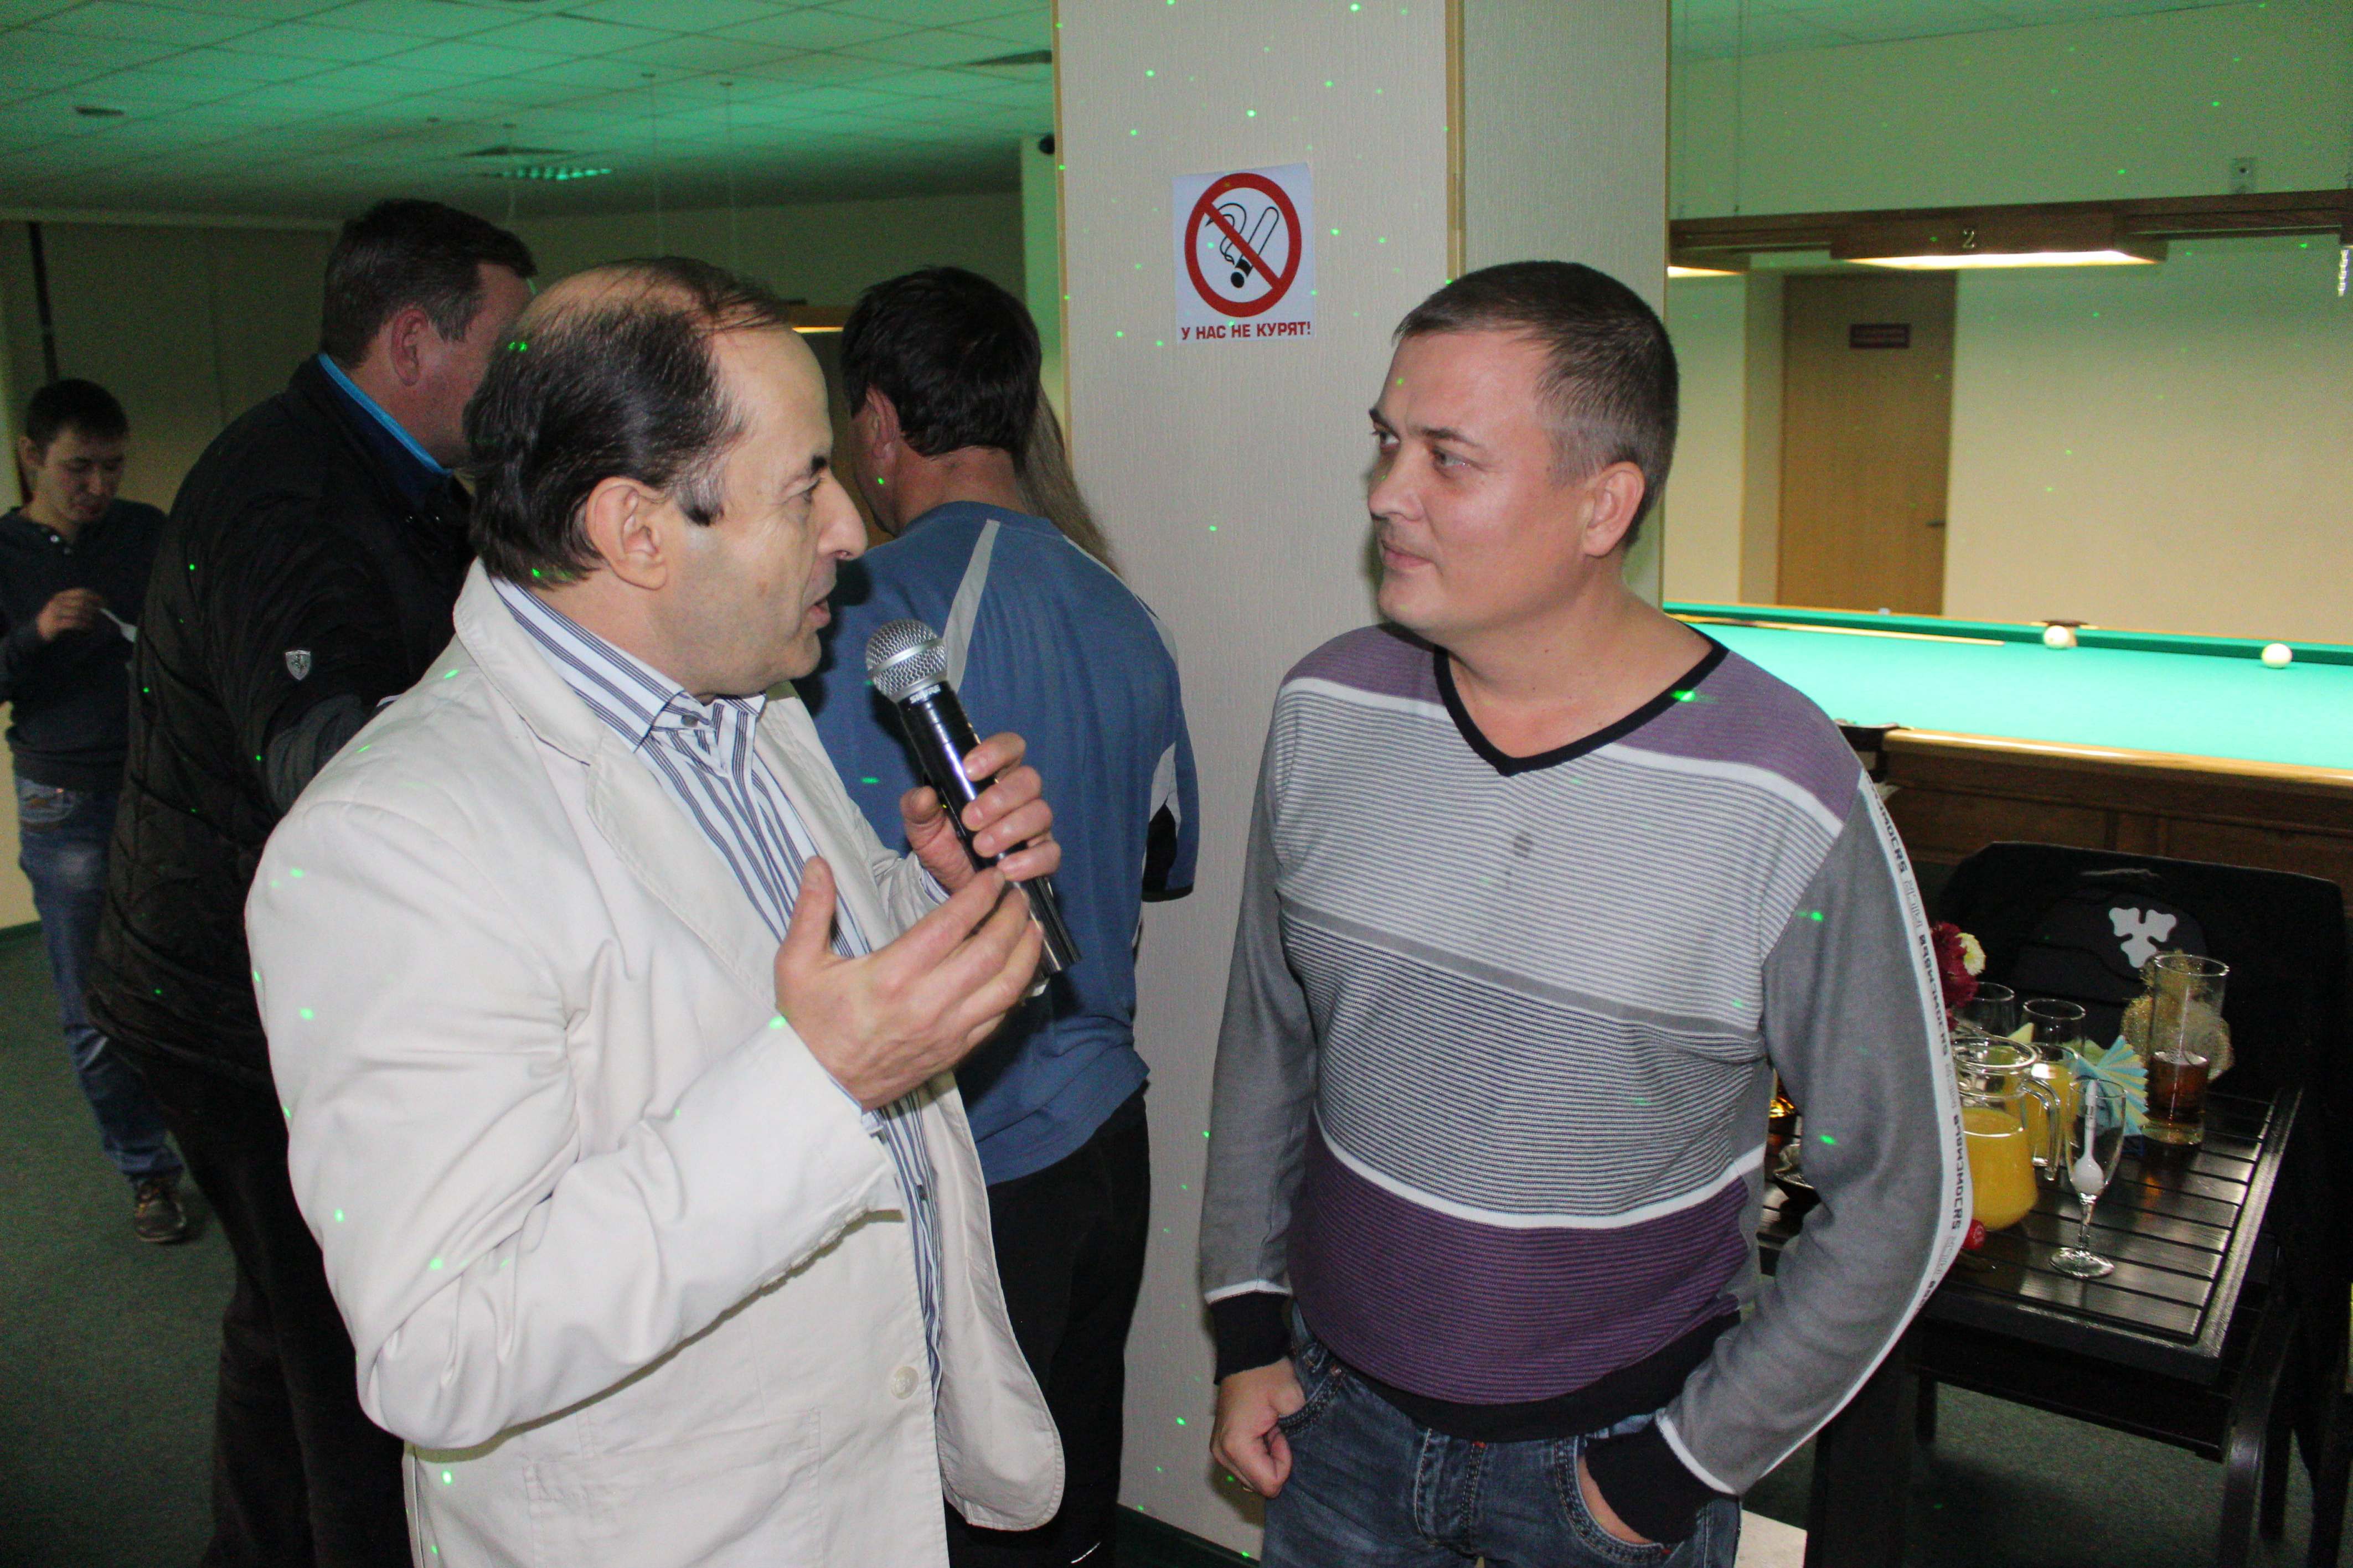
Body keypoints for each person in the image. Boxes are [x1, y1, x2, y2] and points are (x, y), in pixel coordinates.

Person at [245, 257, 1067, 1568]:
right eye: (804, 484)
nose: (849, 528)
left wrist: (935, 900)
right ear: (635, 531)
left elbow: (769, 982)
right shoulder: (388, 843)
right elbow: (440, 1349)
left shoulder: (747, 698)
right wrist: (823, 1083)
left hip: (870, 1491)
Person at [1199, 261, 1968, 1567]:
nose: (1387, 491)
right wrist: (1247, 1326)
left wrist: (1674, 1470)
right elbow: (1267, 1043)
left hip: (1607, 1472)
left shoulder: (1785, 788)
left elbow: (1902, 1192)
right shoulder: (1323, 708)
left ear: (1605, 503)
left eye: (1449, 458)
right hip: (1330, 1427)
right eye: (1388, 441)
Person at [87, 198, 534, 1567]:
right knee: (353, 1339)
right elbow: (334, 770)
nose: (519, 380)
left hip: (226, 973)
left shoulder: (389, 477)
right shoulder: (284, 499)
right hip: (231, 1007)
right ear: (412, 343)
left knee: (279, 1312)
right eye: (506, 346)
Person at [807, 266, 1199, 1567]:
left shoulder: (854, 619)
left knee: (949, 1526)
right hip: (1108, 1141)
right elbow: (1160, 857)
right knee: (1068, 1518)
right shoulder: (1124, 609)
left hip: (973, 1164)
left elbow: (821, 909)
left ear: (876, 424)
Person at [3, 379, 185, 1240]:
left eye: (113, 467)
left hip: (162, 784)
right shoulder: (5, 553)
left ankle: (246, 1152)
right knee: (94, 1008)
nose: (98, 486)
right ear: (32, 458)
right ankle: (148, 1173)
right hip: (63, 800)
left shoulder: (145, 533)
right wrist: (35, 633)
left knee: (202, 975)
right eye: (79, 467)